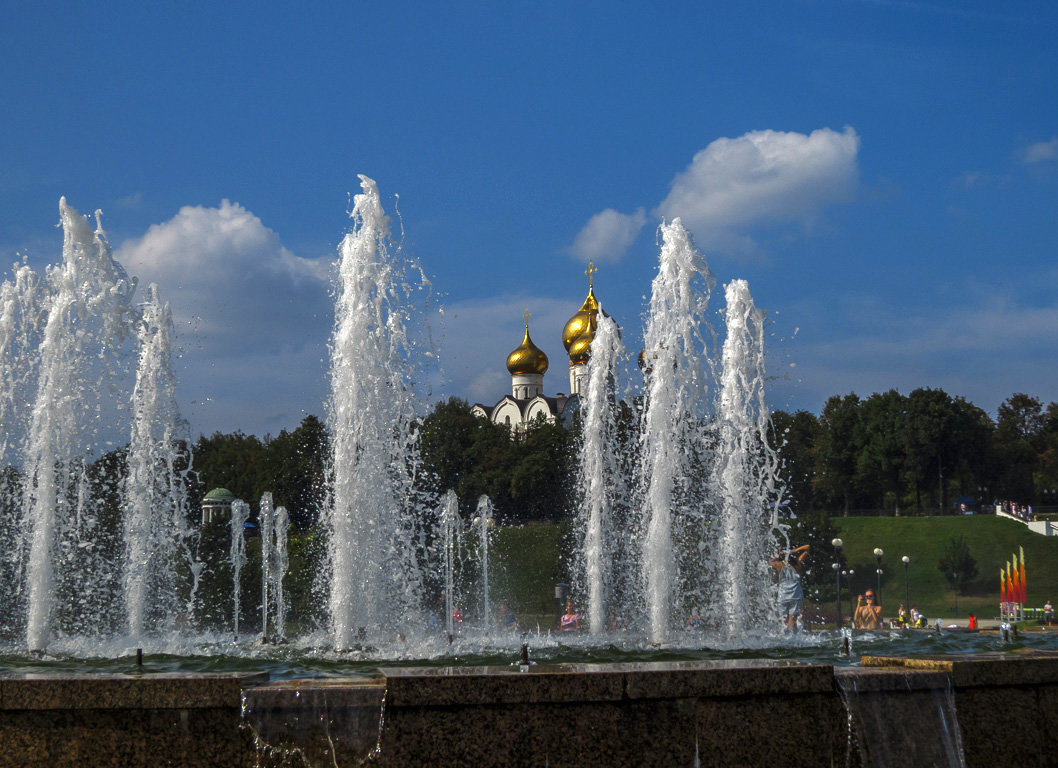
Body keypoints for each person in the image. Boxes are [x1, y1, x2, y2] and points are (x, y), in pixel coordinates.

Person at [770, 543, 809, 631]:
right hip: (796, 594)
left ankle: (786, 637)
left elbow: (771, 562)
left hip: (783, 595)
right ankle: (792, 638)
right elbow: (807, 548)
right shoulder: (797, 564)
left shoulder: (779, 565)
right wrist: (794, 551)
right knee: (792, 619)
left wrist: (778, 555)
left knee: (784, 620)